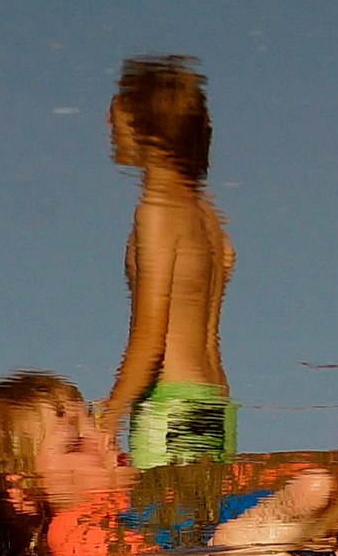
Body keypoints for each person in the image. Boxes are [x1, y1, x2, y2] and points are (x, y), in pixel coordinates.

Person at [0, 372, 338, 556]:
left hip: (231, 533)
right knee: (309, 493)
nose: (105, 436)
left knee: (314, 494)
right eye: (77, 442)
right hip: (228, 545)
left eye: (92, 422)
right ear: (24, 493)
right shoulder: (71, 531)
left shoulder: (139, 498)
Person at [100, 55, 236, 470]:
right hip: (215, 405)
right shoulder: (207, 216)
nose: (109, 126)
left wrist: (107, 421)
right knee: (204, 531)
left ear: (141, 122)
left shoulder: (156, 212)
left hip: (171, 406)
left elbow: (150, 339)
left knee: (164, 533)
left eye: (116, 113)